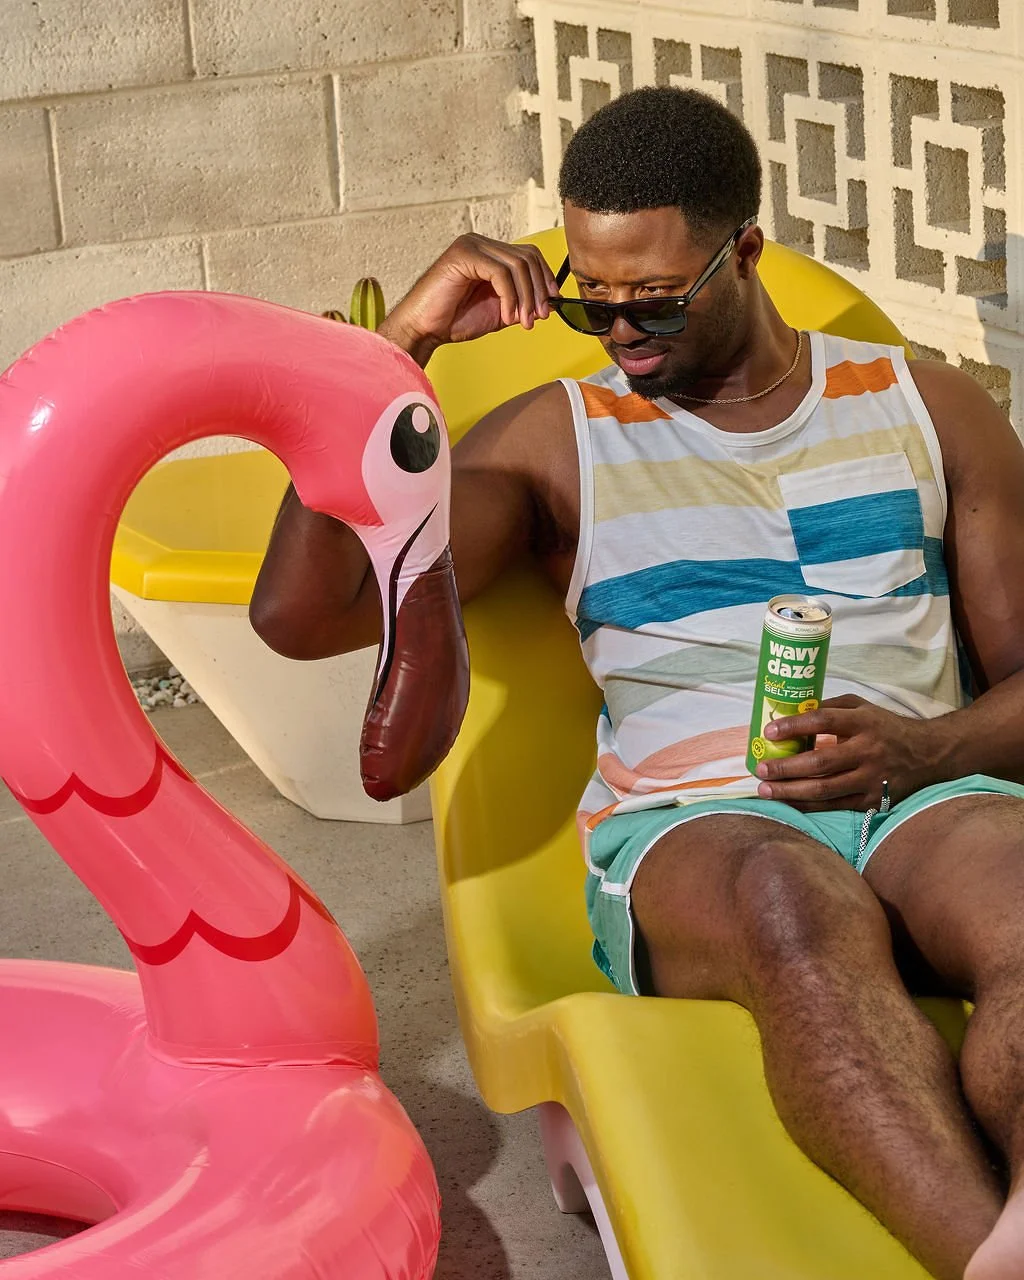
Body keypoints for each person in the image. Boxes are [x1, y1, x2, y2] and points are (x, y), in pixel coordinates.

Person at [250, 86, 1024, 1280]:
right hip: (700, 826)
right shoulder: (560, 438)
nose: (621, 333)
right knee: (785, 898)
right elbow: (304, 614)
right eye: (591, 301)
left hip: (921, 795)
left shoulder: (929, 408)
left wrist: (927, 748)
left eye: (655, 299)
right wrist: (391, 349)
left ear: (745, 252)